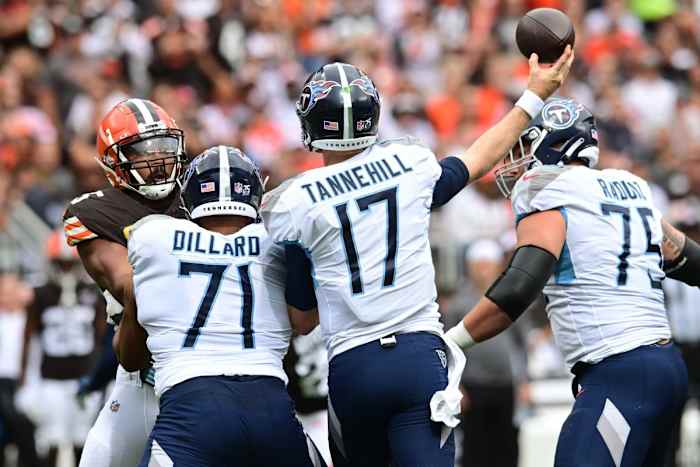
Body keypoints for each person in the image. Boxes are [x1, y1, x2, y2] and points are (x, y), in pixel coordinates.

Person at [261, 46, 573, 467]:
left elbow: (302, 320)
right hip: (417, 356)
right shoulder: (408, 163)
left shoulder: (295, 201)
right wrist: (534, 94)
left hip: (354, 366)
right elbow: (478, 158)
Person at [445, 97, 700, 466]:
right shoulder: (631, 187)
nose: (518, 158)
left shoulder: (546, 188)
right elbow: (689, 259)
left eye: (526, 145)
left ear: (553, 143)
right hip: (666, 367)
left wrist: (454, 340)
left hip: (619, 372)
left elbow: (519, 286)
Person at [117, 145, 325, 467]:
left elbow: (130, 358)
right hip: (270, 407)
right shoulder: (277, 239)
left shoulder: (153, 236)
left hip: (192, 409)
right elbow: (305, 320)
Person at [62, 98, 188, 467]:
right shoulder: (95, 212)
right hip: (143, 372)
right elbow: (127, 284)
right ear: (115, 160)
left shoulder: (202, 196)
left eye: (165, 147)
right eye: (142, 151)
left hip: (203, 364)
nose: (158, 159)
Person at [19, 230, 104, 466]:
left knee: (83, 438)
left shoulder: (92, 293)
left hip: (84, 379)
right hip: (51, 380)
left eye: (70, 264)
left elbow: (99, 339)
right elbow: (29, 338)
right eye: (61, 264)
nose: (66, 270)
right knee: (51, 439)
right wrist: (25, 379)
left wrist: (100, 376)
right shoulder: (40, 294)